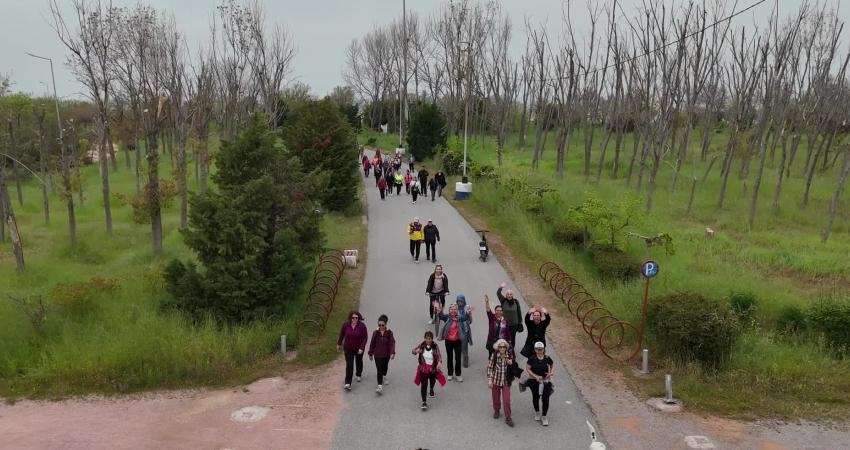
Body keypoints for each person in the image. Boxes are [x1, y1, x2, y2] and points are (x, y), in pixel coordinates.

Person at [436, 303, 470, 382]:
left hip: (458, 341)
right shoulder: (447, 317)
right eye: (451, 309)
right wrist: (438, 309)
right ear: (449, 310)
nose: (453, 310)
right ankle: (450, 373)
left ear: (457, 310)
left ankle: (458, 374)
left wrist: (468, 312)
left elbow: (465, 317)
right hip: (448, 341)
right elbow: (441, 316)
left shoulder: (459, 318)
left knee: (458, 359)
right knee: (450, 358)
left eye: (455, 309)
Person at [413, 330, 446, 410]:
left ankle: (431, 389)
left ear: (432, 339)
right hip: (423, 368)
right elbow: (413, 351)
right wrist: (416, 351)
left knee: (432, 381)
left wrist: (439, 363)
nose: (428, 340)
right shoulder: (422, 345)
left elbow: (439, 355)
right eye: (427, 339)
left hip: (432, 368)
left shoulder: (435, 346)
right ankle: (424, 402)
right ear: (425, 339)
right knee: (424, 385)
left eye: (430, 339)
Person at [337, 311, 368, 391]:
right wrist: (339, 344)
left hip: (359, 348)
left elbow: (365, 337)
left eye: (356, 318)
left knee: (358, 361)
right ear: (350, 318)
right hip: (348, 348)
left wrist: (361, 348)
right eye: (353, 317)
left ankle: (358, 374)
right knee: (349, 365)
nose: (354, 319)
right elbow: (342, 335)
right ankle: (348, 383)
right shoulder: (346, 325)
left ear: (359, 318)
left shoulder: (362, 326)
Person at [525, 341, 554, 426]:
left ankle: (544, 416)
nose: (539, 351)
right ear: (535, 350)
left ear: (544, 349)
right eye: (537, 349)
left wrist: (551, 373)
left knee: (545, 399)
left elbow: (552, 365)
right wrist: (535, 376)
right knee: (535, 397)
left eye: (541, 349)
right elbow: (528, 368)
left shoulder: (547, 358)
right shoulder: (532, 358)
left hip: (545, 382)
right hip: (534, 381)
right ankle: (537, 412)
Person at [487, 338, 515, 427]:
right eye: (500, 347)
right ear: (498, 347)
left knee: (506, 400)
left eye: (504, 347)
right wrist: (489, 379)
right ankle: (497, 410)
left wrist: (509, 361)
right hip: (496, 380)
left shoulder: (509, 355)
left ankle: (508, 417)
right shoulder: (494, 355)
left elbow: (513, 364)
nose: (502, 349)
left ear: (506, 347)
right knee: (495, 397)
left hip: (506, 381)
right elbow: (490, 367)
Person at [368, 314, 396, 394]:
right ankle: (379, 386)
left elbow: (392, 343)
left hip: (386, 355)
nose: (381, 326)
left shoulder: (389, 333)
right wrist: (370, 353)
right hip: (377, 355)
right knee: (379, 370)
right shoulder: (375, 333)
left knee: (384, 368)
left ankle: (384, 376)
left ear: (386, 324)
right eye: (379, 325)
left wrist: (392, 353)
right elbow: (372, 343)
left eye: (382, 325)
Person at [497, 282, 523, 349]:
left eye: (510, 294)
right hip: (505, 324)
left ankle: (511, 350)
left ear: (512, 295)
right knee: (504, 337)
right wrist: (501, 287)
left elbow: (519, 312)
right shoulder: (503, 301)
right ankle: (504, 350)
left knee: (512, 338)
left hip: (514, 324)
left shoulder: (516, 302)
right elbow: (498, 293)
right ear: (506, 295)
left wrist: (520, 322)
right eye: (508, 294)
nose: (509, 295)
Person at [484, 293, 510, 359]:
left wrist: (509, 340)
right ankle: (491, 367)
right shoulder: (492, 318)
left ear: (502, 312)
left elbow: (507, 331)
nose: (499, 312)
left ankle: (499, 368)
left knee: (500, 356)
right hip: (492, 341)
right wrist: (487, 302)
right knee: (491, 356)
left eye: (500, 310)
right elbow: (488, 310)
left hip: (501, 341)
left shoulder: (505, 320)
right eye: (497, 310)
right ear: (495, 311)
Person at [455, 294, 473, 368]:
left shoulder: (467, 308)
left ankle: (465, 361)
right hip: (456, 330)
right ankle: (458, 360)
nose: (460, 302)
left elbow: (470, 320)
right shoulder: (454, 308)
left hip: (465, 329)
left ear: (464, 301)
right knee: (457, 345)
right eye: (458, 301)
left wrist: (468, 315)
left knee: (465, 346)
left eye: (461, 301)